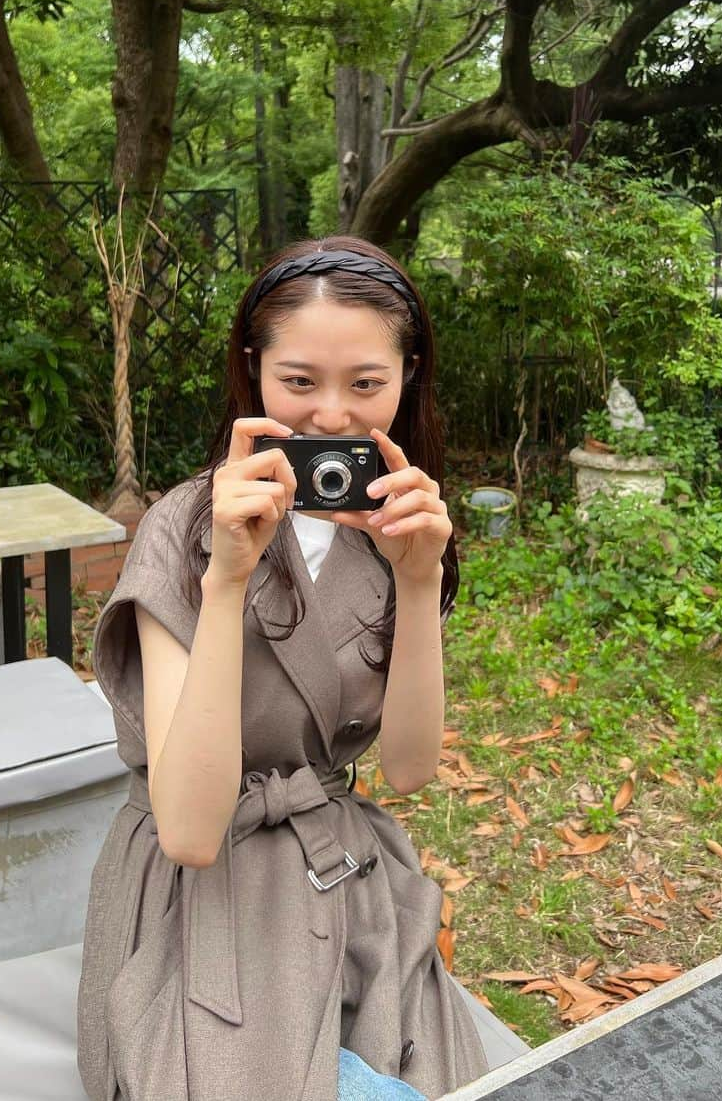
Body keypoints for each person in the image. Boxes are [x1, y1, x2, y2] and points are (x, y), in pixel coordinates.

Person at [76, 237, 490, 1101]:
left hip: (340, 865)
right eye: (299, 382)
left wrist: (418, 585)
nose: (332, 417)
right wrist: (224, 582)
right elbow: (188, 830)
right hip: (201, 894)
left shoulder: (394, 523)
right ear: (252, 367)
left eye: (366, 384)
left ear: (408, 376)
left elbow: (408, 770)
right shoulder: (184, 527)